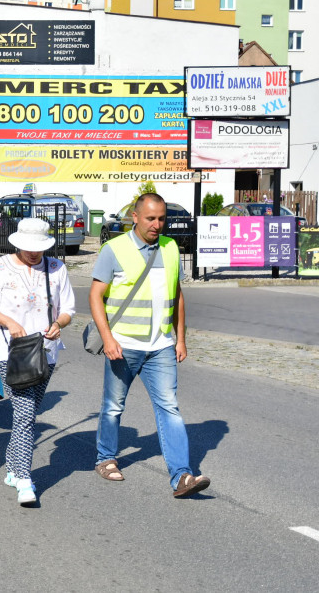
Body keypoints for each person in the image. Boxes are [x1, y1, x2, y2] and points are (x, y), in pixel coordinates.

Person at [89, 192, 210, 498]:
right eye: (151, 219)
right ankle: (106, 458)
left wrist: (180, 338)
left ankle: (182, 475)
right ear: (135, 216)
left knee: (170, 407)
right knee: (113, 406)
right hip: (123, 344)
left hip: (161, 346)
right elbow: (95, 296)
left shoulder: (170, 248)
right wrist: (107, 338)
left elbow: (177, 294)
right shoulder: (113, 249)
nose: (157, 225)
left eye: (162, 219)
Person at [0, 218, 75, 506]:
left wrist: (59, 323)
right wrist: (10, 322)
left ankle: (11, 466)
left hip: (46, 350)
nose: (33, 253)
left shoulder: (57, 268)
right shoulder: (0, 267)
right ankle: (23, 478)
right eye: (28, 248)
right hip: (11, 350)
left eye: (38, 248)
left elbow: (68, 308)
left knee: (27, 416)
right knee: (24, 414)